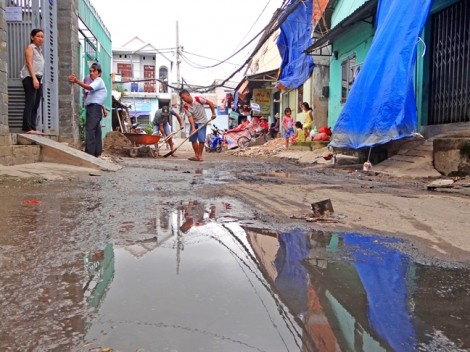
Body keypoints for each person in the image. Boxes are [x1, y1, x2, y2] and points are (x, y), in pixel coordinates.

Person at [68, 63, 108, 157]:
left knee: (90, 130)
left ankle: (89, 153)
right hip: (95, 108)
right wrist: (103, 108)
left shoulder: (98, 80)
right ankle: (97, 152)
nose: (91, 73)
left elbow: (89, 88)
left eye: (93, 71)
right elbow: (98, 97)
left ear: (98, 72)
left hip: (94, 109)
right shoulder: (96, 81)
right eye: (90, 71)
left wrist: (76, 81)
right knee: (96, 131)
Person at [179, 89, 216, 161]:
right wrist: (193, 128)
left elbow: (211, 103)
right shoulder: (185, 106)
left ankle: (200, 156)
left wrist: (213, 113)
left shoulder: (198, 99)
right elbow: (190, 117)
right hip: (194, 121)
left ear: (188, 95)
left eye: (183, 98)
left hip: (202, 121)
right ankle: (196, 155)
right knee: (193, 139)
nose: (183, 100)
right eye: (182, 99)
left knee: (201, 139)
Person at [20, 28, 45, 135]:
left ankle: (33, 127)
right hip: (30, 78)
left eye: (42, 37)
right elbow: (29, 64)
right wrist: (34, 78)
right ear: (32, 37)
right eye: (38, 36)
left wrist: (38, 79)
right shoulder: (30, 48)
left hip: (38, 78)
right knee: (30, 102)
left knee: (36, 103)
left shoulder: (39, 50)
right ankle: (27, 128)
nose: (40, 39)